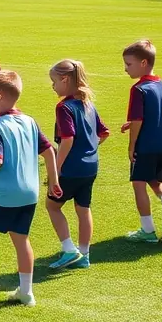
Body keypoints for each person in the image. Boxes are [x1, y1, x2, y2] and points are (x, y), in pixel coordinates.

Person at [0, 71, 60, 305]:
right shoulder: (30, 121)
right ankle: (26, 292)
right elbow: (49, 151)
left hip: (6, 192)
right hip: (30, 193)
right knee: (21, 239)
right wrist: (54, 181)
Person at [45, 59, 109, 269]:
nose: (53, 86)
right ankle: (85, 255)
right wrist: (90, 148)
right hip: (91, 167)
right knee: (83, 209)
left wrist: (57, 167)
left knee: (52, 206)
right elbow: (104, 132)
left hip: (71, 168)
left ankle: (69, 250)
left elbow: (68, 138)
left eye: (54, 81)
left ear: (64, 79)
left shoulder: (64, 107)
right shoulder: (88, 103)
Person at [120, 40, 162, 243]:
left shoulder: (138, 89)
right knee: (157, 181)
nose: (125, 68)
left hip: (145, 146)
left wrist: (132, 144)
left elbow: (138, 120)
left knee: (139, 184)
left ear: (143, 63)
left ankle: (148, 230)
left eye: (129, 64)